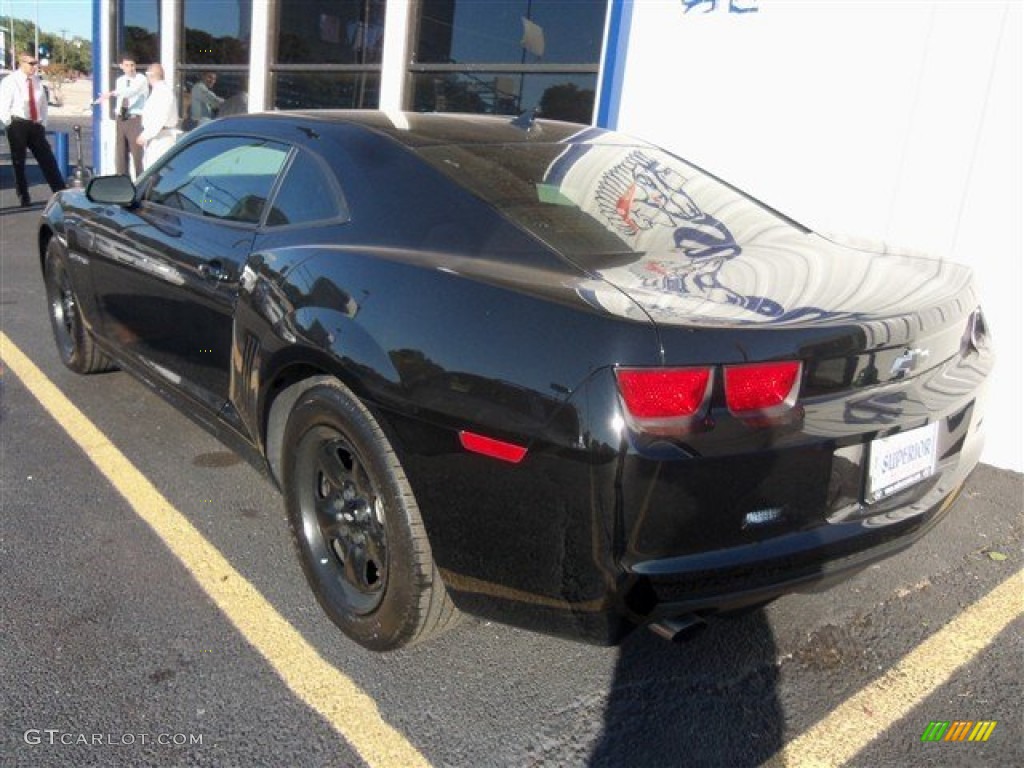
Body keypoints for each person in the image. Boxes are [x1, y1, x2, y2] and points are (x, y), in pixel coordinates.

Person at [0, 52, 67, 206]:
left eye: (35, 63)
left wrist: (42, 123)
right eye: (31, 64)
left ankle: (59, 190)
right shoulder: (11, 81)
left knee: (47, 159)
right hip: (17, 123)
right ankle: (23, 194)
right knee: (19, 161)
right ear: (21, 63)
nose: (34, 67)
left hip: (35, 124)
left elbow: (43, 104)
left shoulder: (36, 81)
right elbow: (3, 105)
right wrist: (9, 122)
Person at [94, 54, 148, 177]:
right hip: (121, 118)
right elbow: (121, 98)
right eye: (127, 65)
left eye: (132, 65)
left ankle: (140, 181)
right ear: (122, 66)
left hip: (134, 119)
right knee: (121, 154)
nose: (130, 68)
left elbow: (131, 91)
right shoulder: (120, 81)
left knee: (137, 155)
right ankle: (123, 181)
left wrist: (112, 93)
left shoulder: (141, 79)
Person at [136, 64, 179, 170]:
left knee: (155, 172)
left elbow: (159, 118)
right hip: (156, 137)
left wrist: (145, 135)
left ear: (151, 76)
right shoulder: (159, 91)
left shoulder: (162, 92)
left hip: (161, 139)